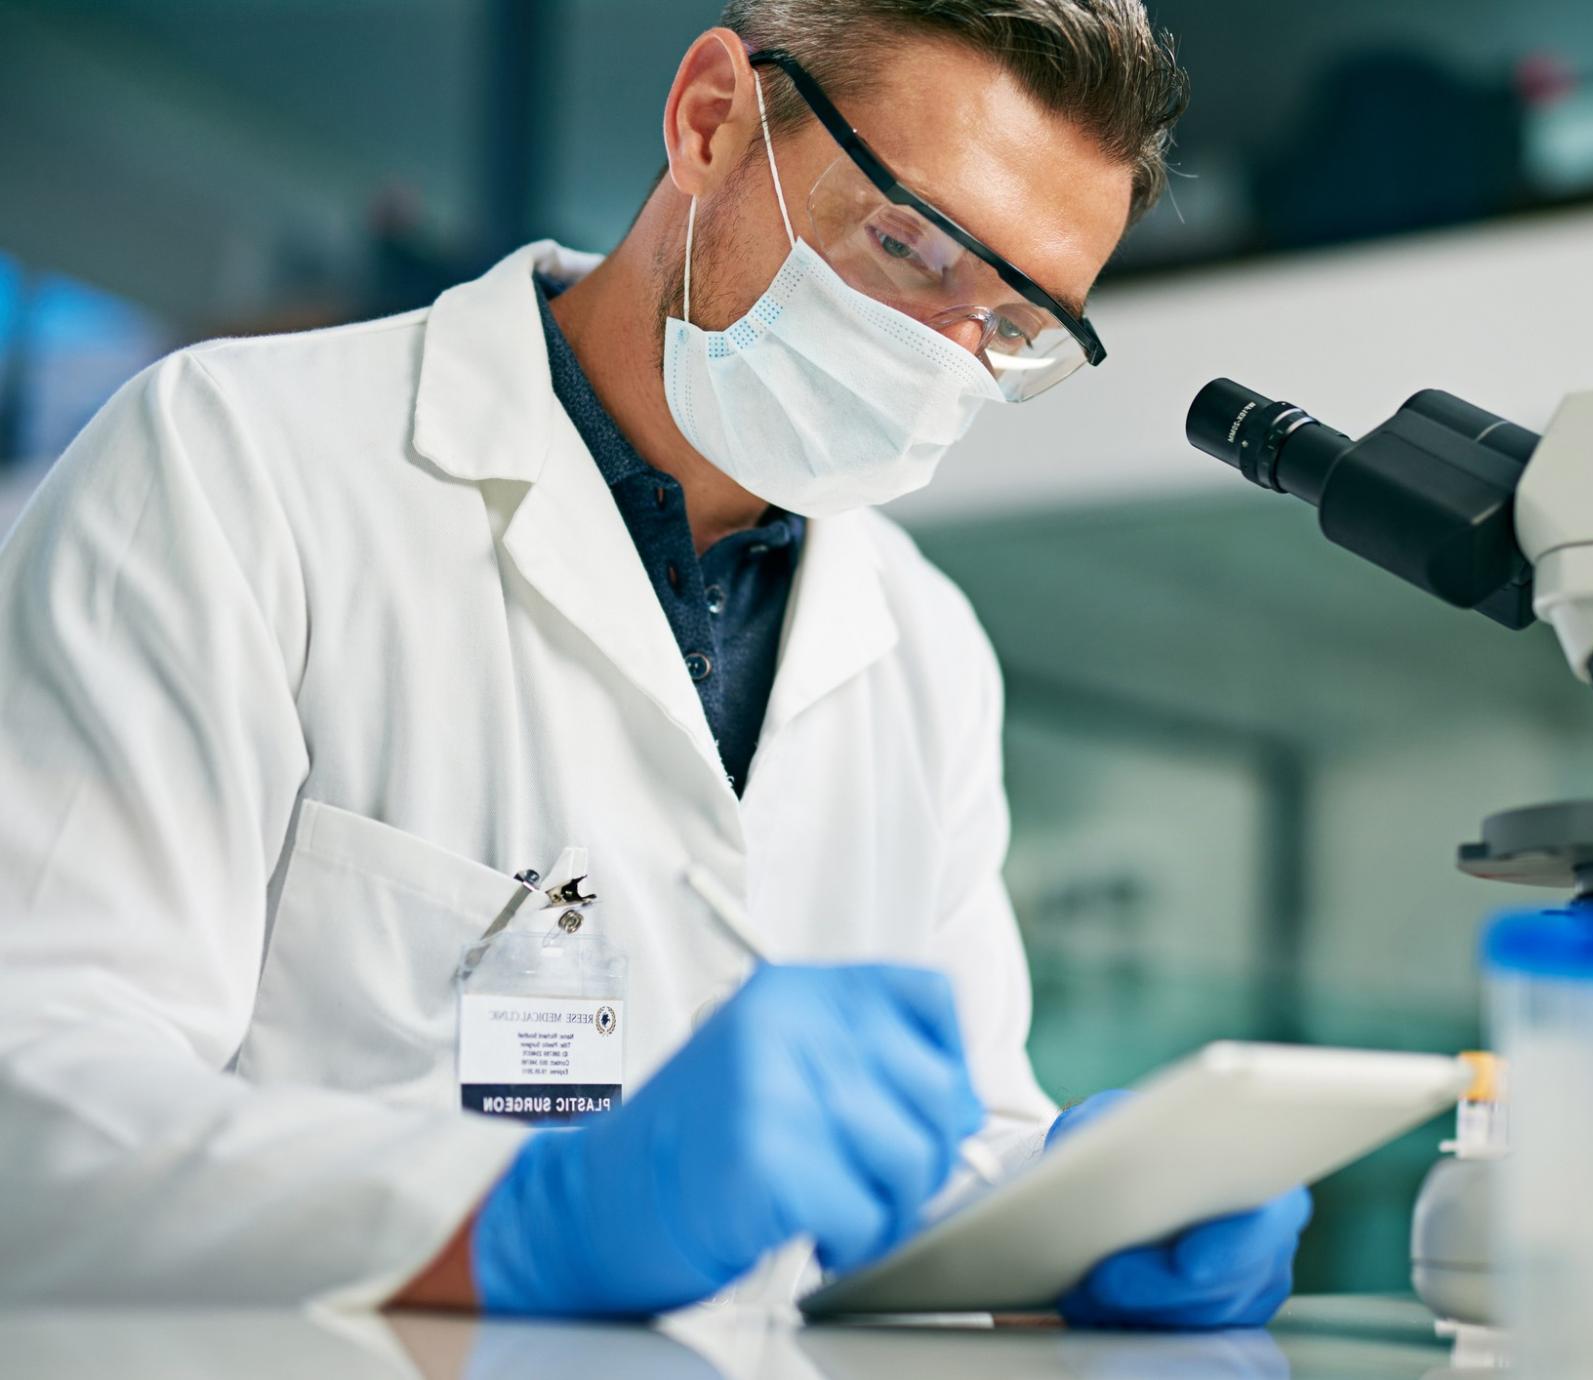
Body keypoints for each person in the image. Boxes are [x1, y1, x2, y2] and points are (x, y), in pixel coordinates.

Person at [0, 0, 1310, 1325]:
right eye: (912, 247)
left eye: (1015, 325)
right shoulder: (239, 467)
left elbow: (934, 1153)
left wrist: (1072, 1220)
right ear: (710, 121)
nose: (944, 361)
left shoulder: (923, 649)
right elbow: (38, 1105)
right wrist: (522, 1214)